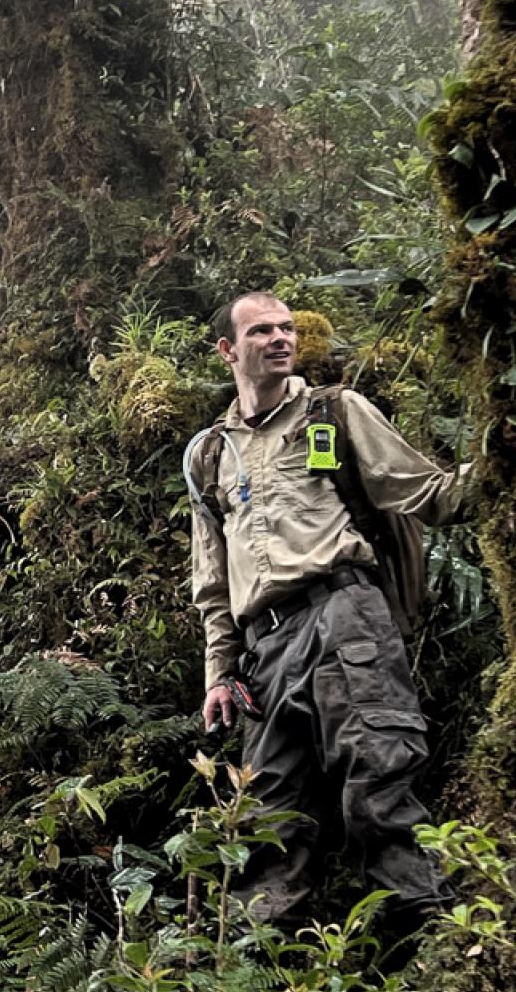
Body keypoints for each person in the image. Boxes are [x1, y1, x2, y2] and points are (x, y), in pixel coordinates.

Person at [187, 291, 471, 930]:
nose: (281, 339)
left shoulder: (336, 412)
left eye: (287, 328)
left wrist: (511, 468)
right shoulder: (210, 455)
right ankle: (264, 976)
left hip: (345, 616)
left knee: (378, 775)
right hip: (263, 650)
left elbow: (421, 488)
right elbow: (212, 583)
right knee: (266, 813)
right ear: (229, 350)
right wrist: (219, 671)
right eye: (261, 331)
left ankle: (429, 938)